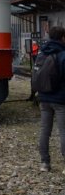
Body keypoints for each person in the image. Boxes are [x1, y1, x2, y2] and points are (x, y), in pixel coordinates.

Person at [37, 25, 65, 172]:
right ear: (62, 37)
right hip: (60, 100)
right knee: (63, 131)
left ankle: (45, 163)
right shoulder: (63, 54)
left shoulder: (42, 53)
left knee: (44, 131)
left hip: (44, 98)